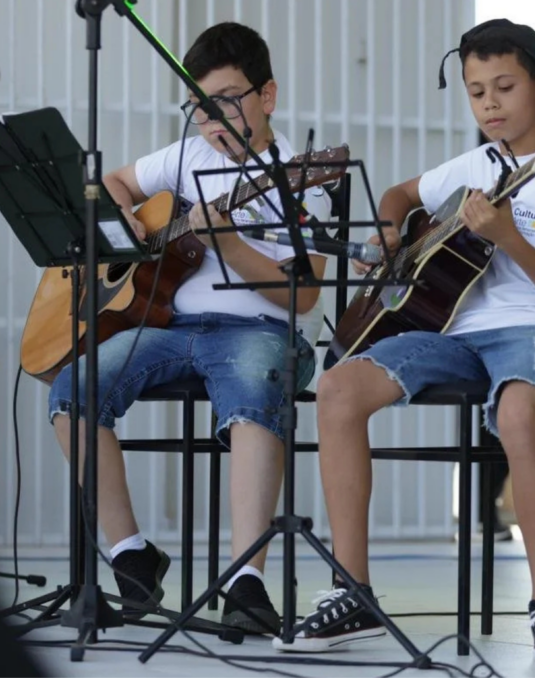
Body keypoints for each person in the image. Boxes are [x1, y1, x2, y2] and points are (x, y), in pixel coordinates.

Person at [277, 19, 535, 664]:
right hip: (456, 330)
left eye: (504, 87)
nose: (489, 103)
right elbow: (402, 194)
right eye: (475, 90)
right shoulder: (473, 166)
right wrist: (393, 233)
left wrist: (509, 235)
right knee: (338, 387)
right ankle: (354, 593)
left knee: (518, 412)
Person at [46, 22, 330, 632]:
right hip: (172, 325)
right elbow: (116, 183)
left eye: (227, 103)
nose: (212, 124)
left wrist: (228, 245)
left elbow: (303, 293)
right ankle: (131, 558)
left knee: (254, 390)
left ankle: (246, 583)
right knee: (72, 389)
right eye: (199, 111)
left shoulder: (303, 179)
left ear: (267, 96)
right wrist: (128, 226)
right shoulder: (188, 155)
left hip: (262, 330)